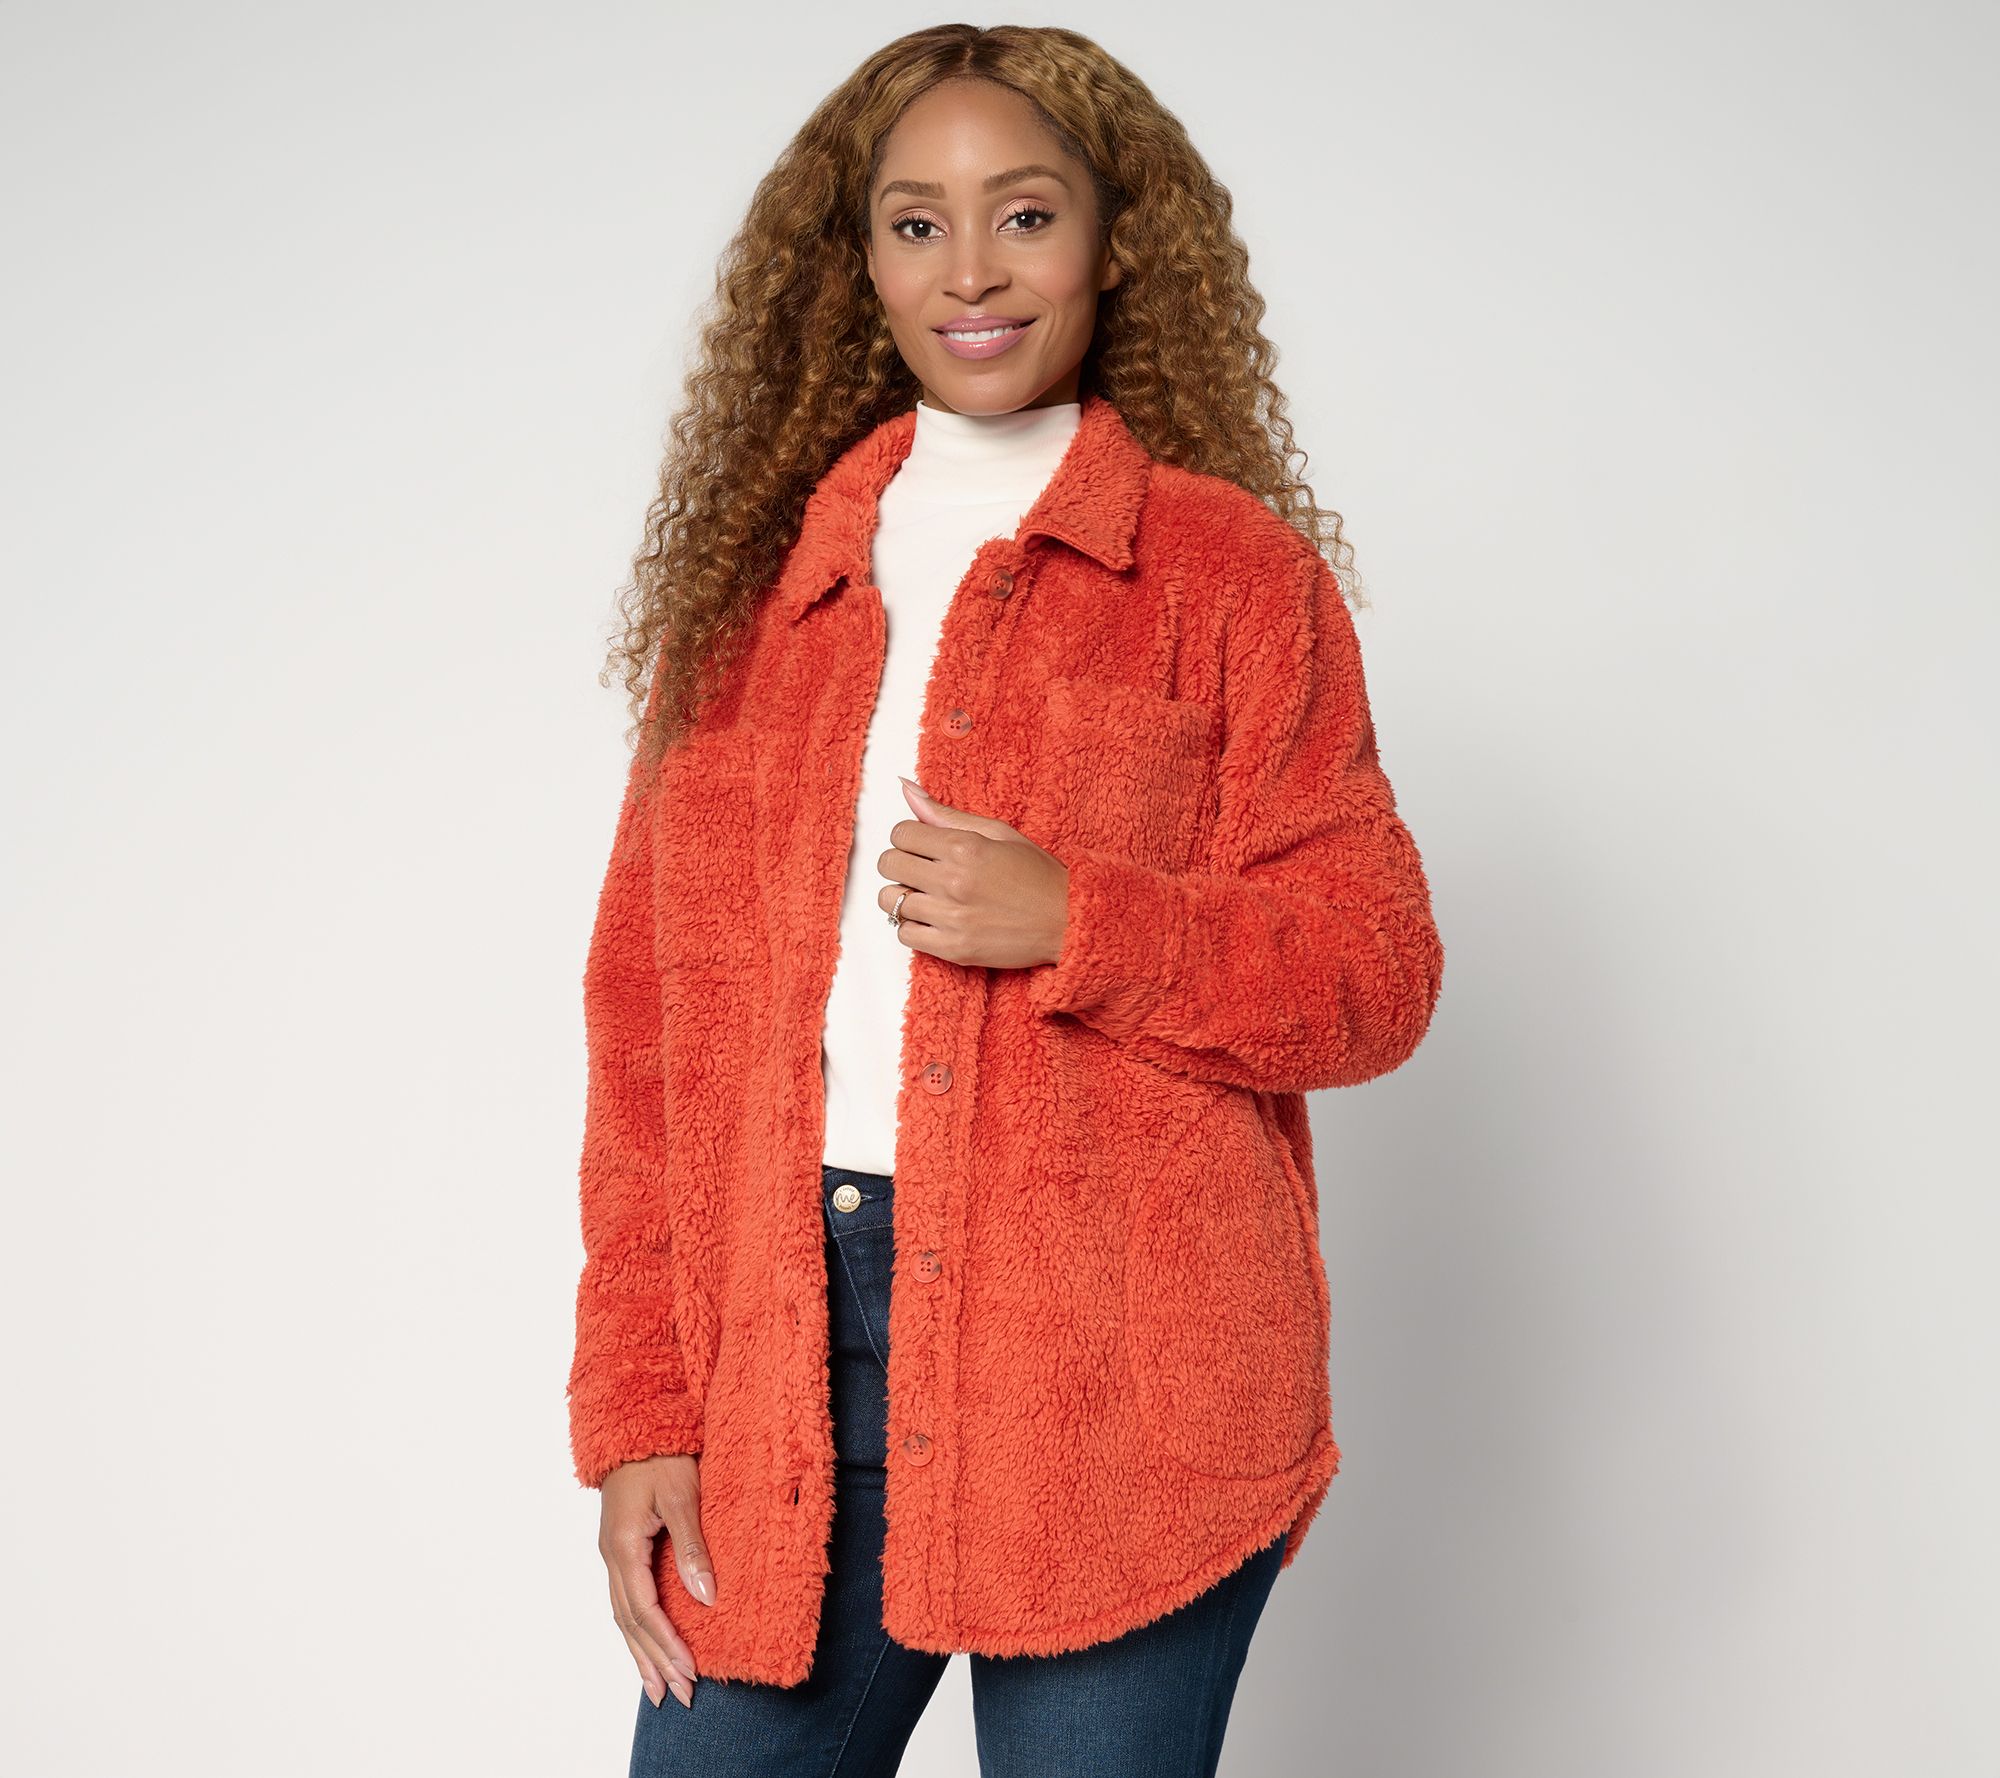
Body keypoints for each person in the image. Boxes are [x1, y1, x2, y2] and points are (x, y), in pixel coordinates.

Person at [569, 24, 1444, 1778]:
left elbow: (1375, 972)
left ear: (1115, 244)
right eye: (917, 224)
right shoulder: (754, 599)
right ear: (860, 265)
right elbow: (645, 1036)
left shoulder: (1229, 577)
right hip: (789, 1355)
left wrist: (1082, 920)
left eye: (1025, 215)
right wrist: (640, 1407)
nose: (971, 270)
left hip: (1124, 1369)